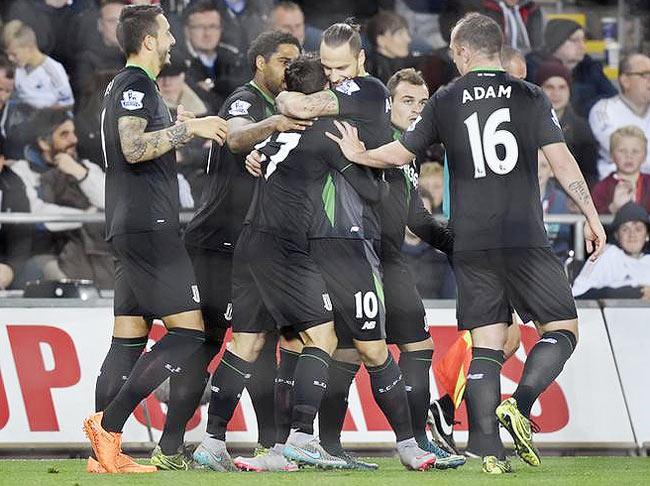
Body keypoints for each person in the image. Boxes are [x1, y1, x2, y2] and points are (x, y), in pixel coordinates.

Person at [326, 12, 606, 474]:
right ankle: (522, 402)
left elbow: (401, 153)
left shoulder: (447, 100)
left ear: (463, 51)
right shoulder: (531, 96)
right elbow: (563, 163)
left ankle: (488, 452)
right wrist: (592, 216)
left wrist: (359, 154)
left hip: (472, 241)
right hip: (523, 236)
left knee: (488, 345)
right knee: (562, 329)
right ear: (497, 48)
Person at [272, 23, 450, 471]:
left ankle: (416, 440)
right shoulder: (350, 116)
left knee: (402, 349)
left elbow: (414, 218)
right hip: (344, 247)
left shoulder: (379, 118)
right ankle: (321, 443)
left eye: (340, 67)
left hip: (378, 257)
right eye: (326, 67)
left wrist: (461, 249)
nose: (333, 76)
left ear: (360, 63)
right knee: (341, 349)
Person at [82, 4, 228, 474]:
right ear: (148, 41)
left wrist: (172, 123)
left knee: (128, 339)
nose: (171, 39)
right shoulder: (136, 84)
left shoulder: (121, 86)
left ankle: (103, 456)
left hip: (128, 222)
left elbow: (141, 141)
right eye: (165, 33)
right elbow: (132, 146)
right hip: (151, 226)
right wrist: (191, 128)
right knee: (188, 332)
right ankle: (110, 425)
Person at [184, 30, 306, 472]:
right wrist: (273, 126)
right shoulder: (246, 101)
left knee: (256, 341)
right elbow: (236, 138)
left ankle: (260, 445)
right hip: (219, 242)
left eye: (297, 62)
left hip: (251, 243)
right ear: (259, 62)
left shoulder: (285, 106)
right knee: (208, 344)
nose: (289, 70)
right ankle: (171, 436)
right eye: (282, 61)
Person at [526, 18, 617, 118]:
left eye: (583, 40)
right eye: (575, 40)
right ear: (557, 42)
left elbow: (613, 97)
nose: (582, 46)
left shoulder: (589, 65)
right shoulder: (533, 65)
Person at [537, 60, 599, 186]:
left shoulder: (582, 129)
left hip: (569, 199)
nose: (556, 94)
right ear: (539, 90)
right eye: (549, 87)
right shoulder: (525, 125)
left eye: (562, 87)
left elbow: (590, 175)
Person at [589, 53, 650, 179]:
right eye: (644, 75)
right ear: (625, 80)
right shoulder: (604, 110)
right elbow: (622, 154)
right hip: (613, 189)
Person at [179, 0, 247, 113]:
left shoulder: (234, 57)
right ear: (187, 30)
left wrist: (213, 86)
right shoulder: (178, 62)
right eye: (200, 27)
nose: (207, 34)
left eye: (213, 26)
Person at [573, 202, 650, 299]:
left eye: (638, 229)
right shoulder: (607, 254)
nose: (632, 235)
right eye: (625, 229)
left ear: (647, 235)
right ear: (617, 235)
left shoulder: (648, 260)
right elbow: (578, 296)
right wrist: (634, 293)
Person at [3, 20, 74, 110]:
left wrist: (40, 116)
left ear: (29, 48)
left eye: (14, 54)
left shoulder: (53, 70)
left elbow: (67, 105)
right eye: (8, 54)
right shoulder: (16, 68)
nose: (10, 58)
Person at [74, 0, 127, 100]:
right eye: (112, 21)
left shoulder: (140, 54)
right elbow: (89, 95)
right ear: (100, 25)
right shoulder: (86, 59)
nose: (119, 26)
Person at [592, 126, 650, 215]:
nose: (629, 156)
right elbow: (594, 219)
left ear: (645, 156)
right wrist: (613, 208)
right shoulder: (602, 188)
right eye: (622, 151)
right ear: (611, 155)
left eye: (635, 151)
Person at [0, 138, 32, 290]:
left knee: (32, 271)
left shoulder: (14, 185)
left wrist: (10, 268)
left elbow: (22, 236)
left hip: (5, 260)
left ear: (1, 161)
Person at [471, 0, 543, 54]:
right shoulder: (486, 8)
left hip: (528, 60)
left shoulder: (532, 9)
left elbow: (537, 44)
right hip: (499, 60)